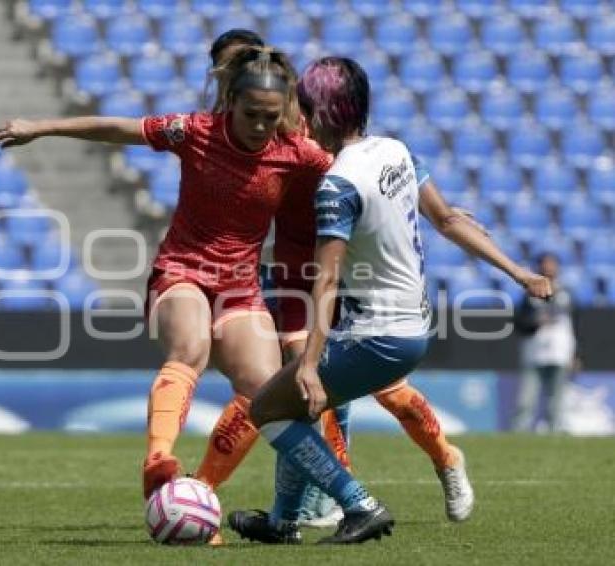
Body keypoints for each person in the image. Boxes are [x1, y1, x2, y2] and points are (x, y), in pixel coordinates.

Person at [228, 56, 552, 544]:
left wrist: (311, 364)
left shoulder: (337, 184)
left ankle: (358, 504)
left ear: (321, 113)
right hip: (413, 331)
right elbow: (447, 220)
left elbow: (327, 281)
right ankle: (280, 522)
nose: (296, 117)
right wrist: (519, 272)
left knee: (267, 411)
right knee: (292, 407)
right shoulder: (397, 151)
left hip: (374, 337)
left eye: (301, 107)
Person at [0, 46, 332, 501]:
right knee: (191, 348)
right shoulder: (193, 131)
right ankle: (158, 461)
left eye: (271, 117)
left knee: (262, 391)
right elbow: (117, 128)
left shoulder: (297, 153)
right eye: (252, 114)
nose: (261, 127)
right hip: (182, 271)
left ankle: (199, 492)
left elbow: (355, 180)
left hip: (241, 287)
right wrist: (41, 128)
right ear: (230, 100)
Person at [192, 30, 480, 529]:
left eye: (237, 64)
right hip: (292, 274)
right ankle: (227, 495)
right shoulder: (247, 133)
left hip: (345, 275)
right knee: (286, 388)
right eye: (223, 69)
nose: (229, 76)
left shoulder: (317, 132)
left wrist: (440, 209)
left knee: (381, 390)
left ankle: (443, 459)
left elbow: (381, 173)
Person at [512, 252, 576, 433]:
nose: (549, 268)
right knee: (526, 398)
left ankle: (554, 433)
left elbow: (575, 325)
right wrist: (535, 322)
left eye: (552, 264)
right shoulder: (529, 295)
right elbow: (519, 323)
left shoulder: (567, 293)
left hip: (560, 352)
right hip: (535, 352)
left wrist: (576, 354)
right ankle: (519, 433)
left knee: (556, 399)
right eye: (545, 264)